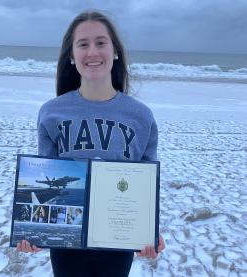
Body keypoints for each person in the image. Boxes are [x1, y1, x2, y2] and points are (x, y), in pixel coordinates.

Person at [17, 8, 165, 277]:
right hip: (67, 239)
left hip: (119, 237)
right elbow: (44, 171)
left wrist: (149, 229)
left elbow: (147, 183)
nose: (92, 52)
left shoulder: (141, 116)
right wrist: (33, 227)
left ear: (115, 51)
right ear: (72, 56)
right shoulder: (51, 112)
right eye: (83, 44)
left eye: (100, 42)